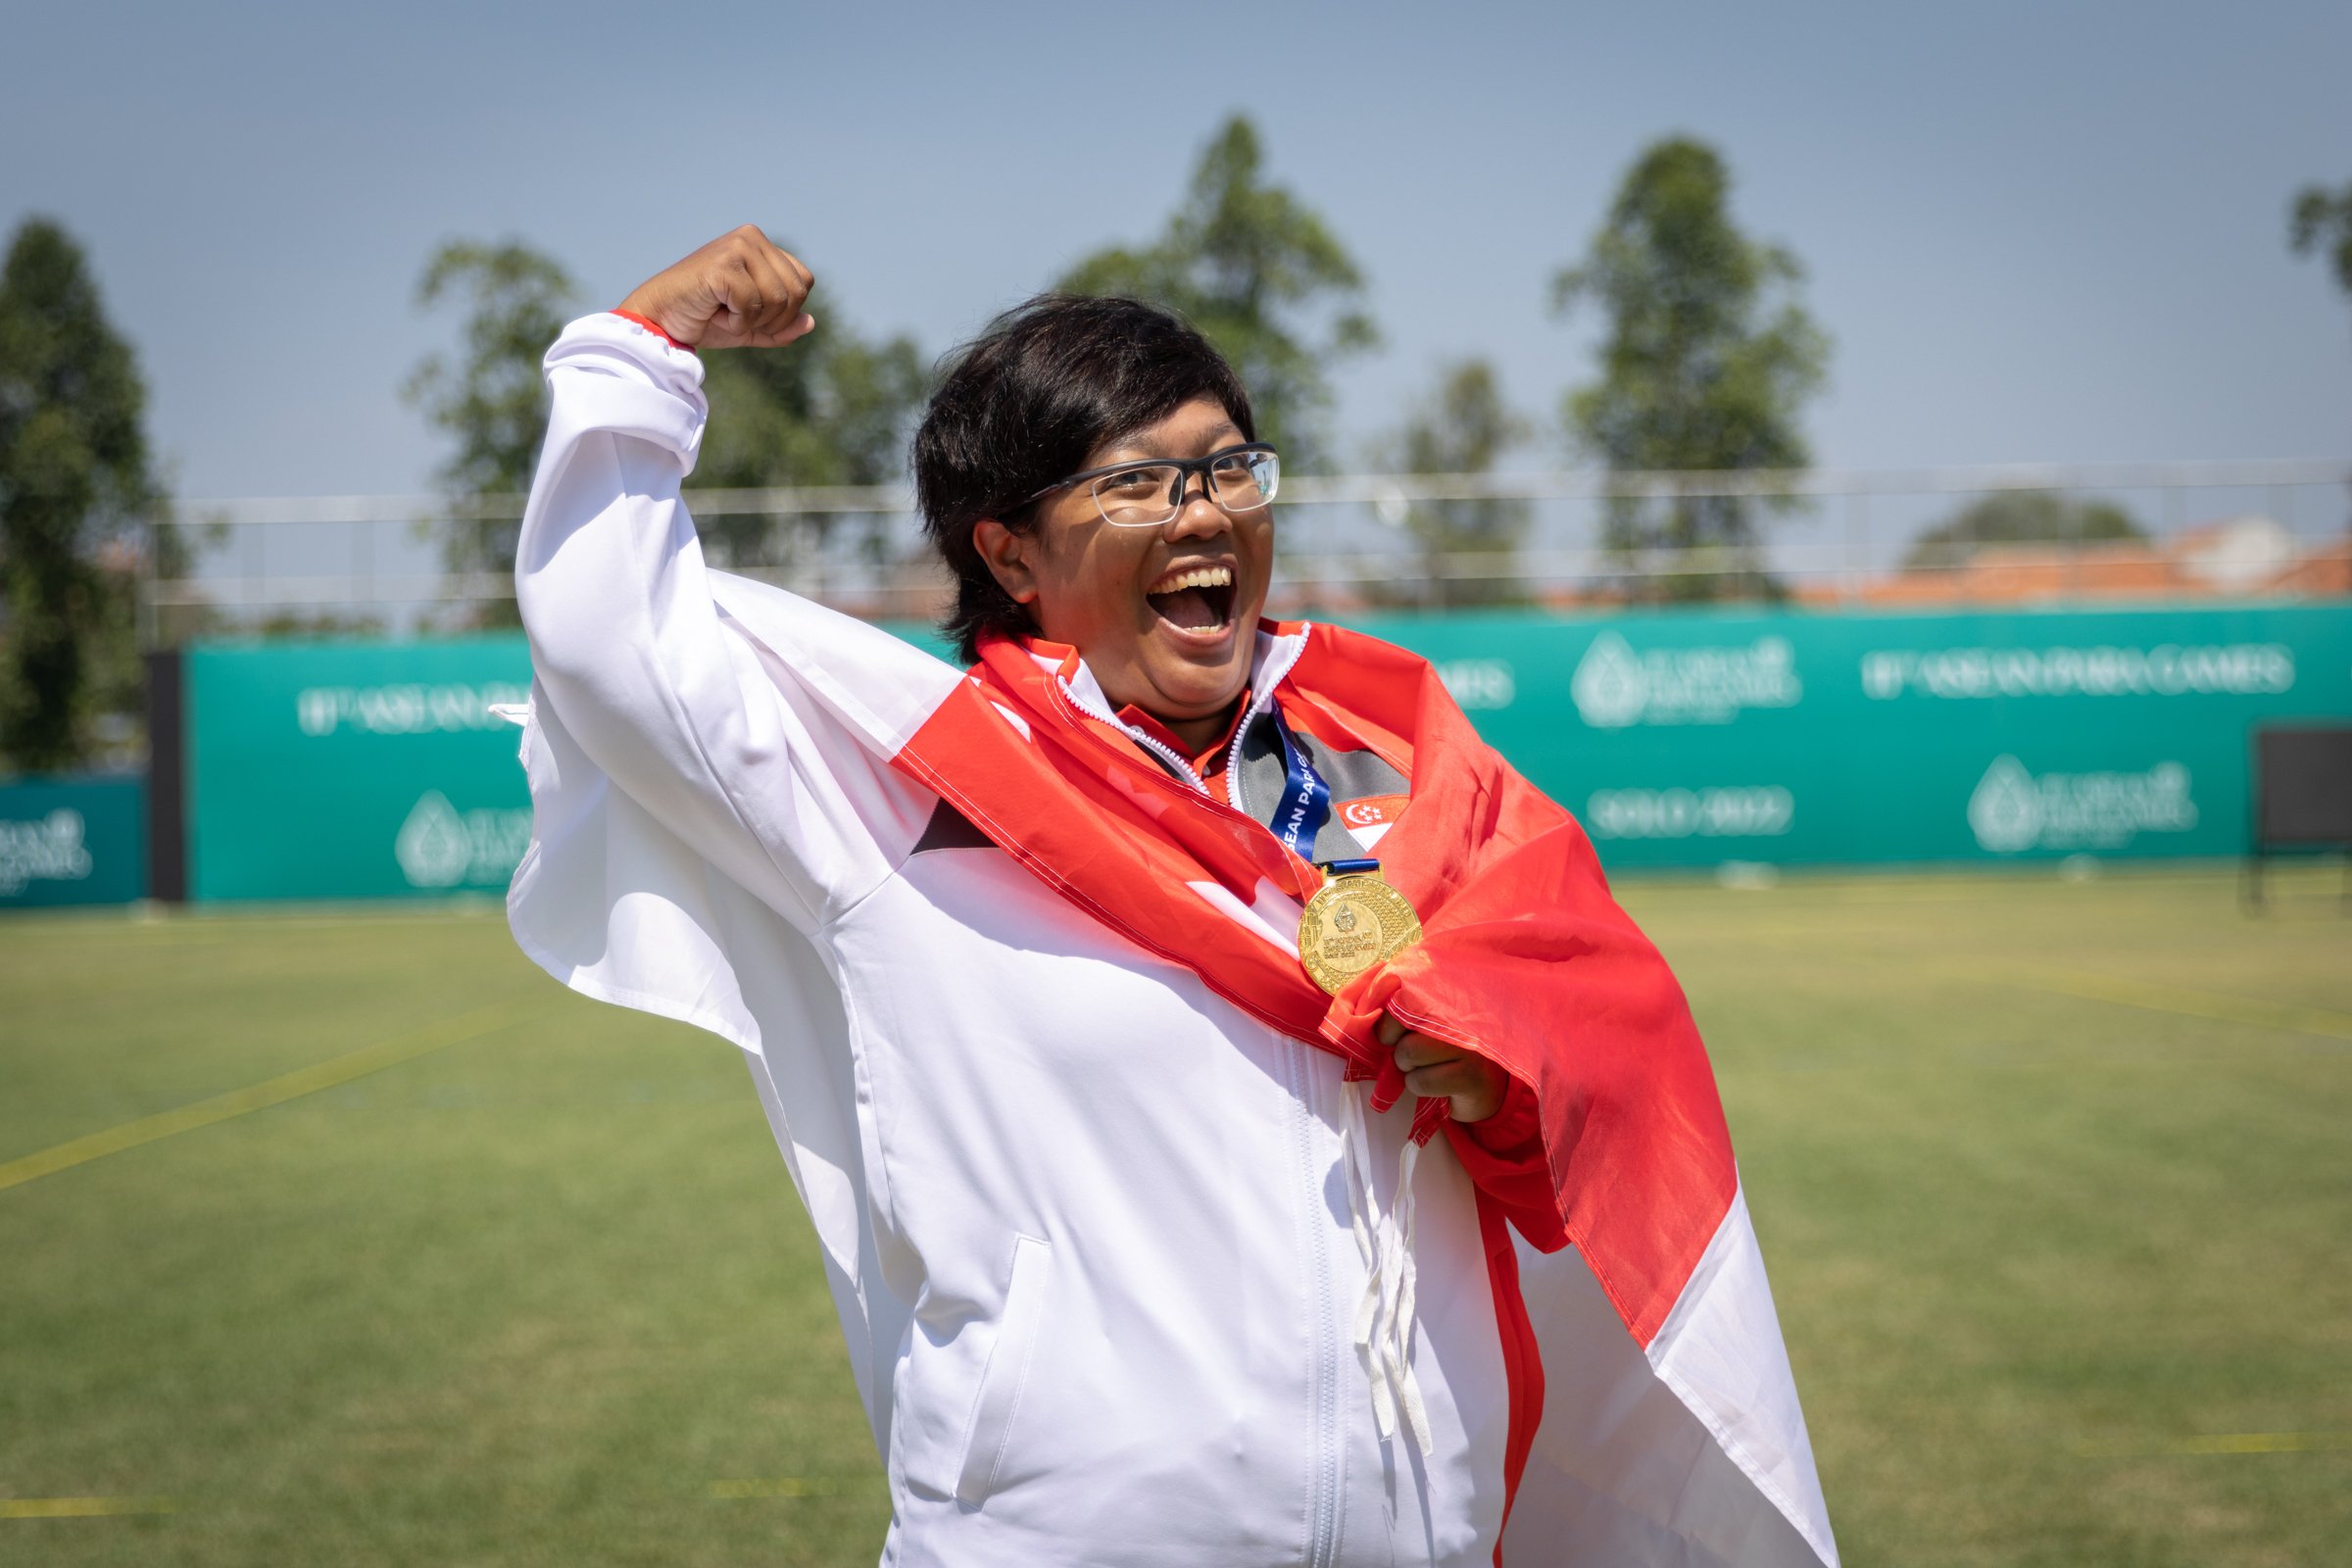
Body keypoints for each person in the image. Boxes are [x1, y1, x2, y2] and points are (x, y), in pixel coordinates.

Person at [507, 225, 1838, 1567]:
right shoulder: (908, 795)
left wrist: (1501, 1090)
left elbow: (1578, 1122)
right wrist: (642, 352)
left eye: (1226, 471)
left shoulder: (1397, 777)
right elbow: (616, 648)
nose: (1202, 514)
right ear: (1013, 558)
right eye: (1137, 483)